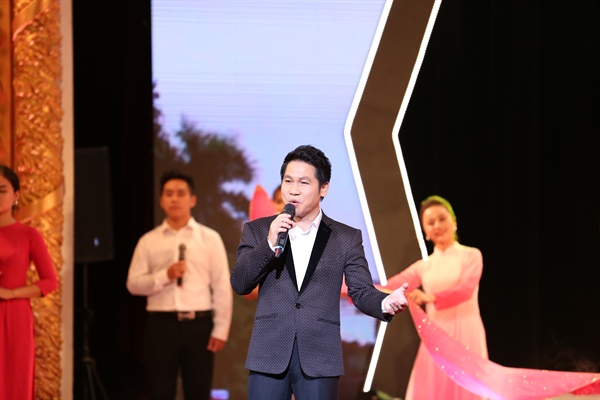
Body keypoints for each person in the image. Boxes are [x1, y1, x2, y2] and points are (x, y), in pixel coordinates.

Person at [230, 145, 409, 400]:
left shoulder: (346, 237)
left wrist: (384, 302)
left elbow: (361, 290)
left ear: (323, 188)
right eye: (288, 181)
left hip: (319, 357)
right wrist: (269, 244)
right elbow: (240, 283)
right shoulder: (258, 230)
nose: (293, 190)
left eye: (304, 182)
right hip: (268, 353)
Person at [126, 171, 233, 400]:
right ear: (161, 201)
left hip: (198, 326)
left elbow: (222, 285)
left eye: (181, 194)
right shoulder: (148, 241)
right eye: (169, 194)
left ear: (192, 199)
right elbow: (133, 284)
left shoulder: (209, 238)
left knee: (198, 392)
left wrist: (220, 329)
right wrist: (165, 275)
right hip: (160, 326)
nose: (174, 199)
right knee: (159, 392)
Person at [382, 195, 488, 400]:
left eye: (442, 219)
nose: (437, 226)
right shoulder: (424, 266)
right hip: (436, 338)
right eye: (430, 222)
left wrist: (429, 297)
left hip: (466, 332)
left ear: (453, 221)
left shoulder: (471, 255)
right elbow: (389, 287)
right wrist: (346, 286)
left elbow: (465, 290)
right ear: (425, 230)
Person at [0, 164, 58, 400]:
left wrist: (11, 293)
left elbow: (50, 281)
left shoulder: (29, 235)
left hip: (14, 316)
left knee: (14, 381)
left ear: (16, 195)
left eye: (2, 190)